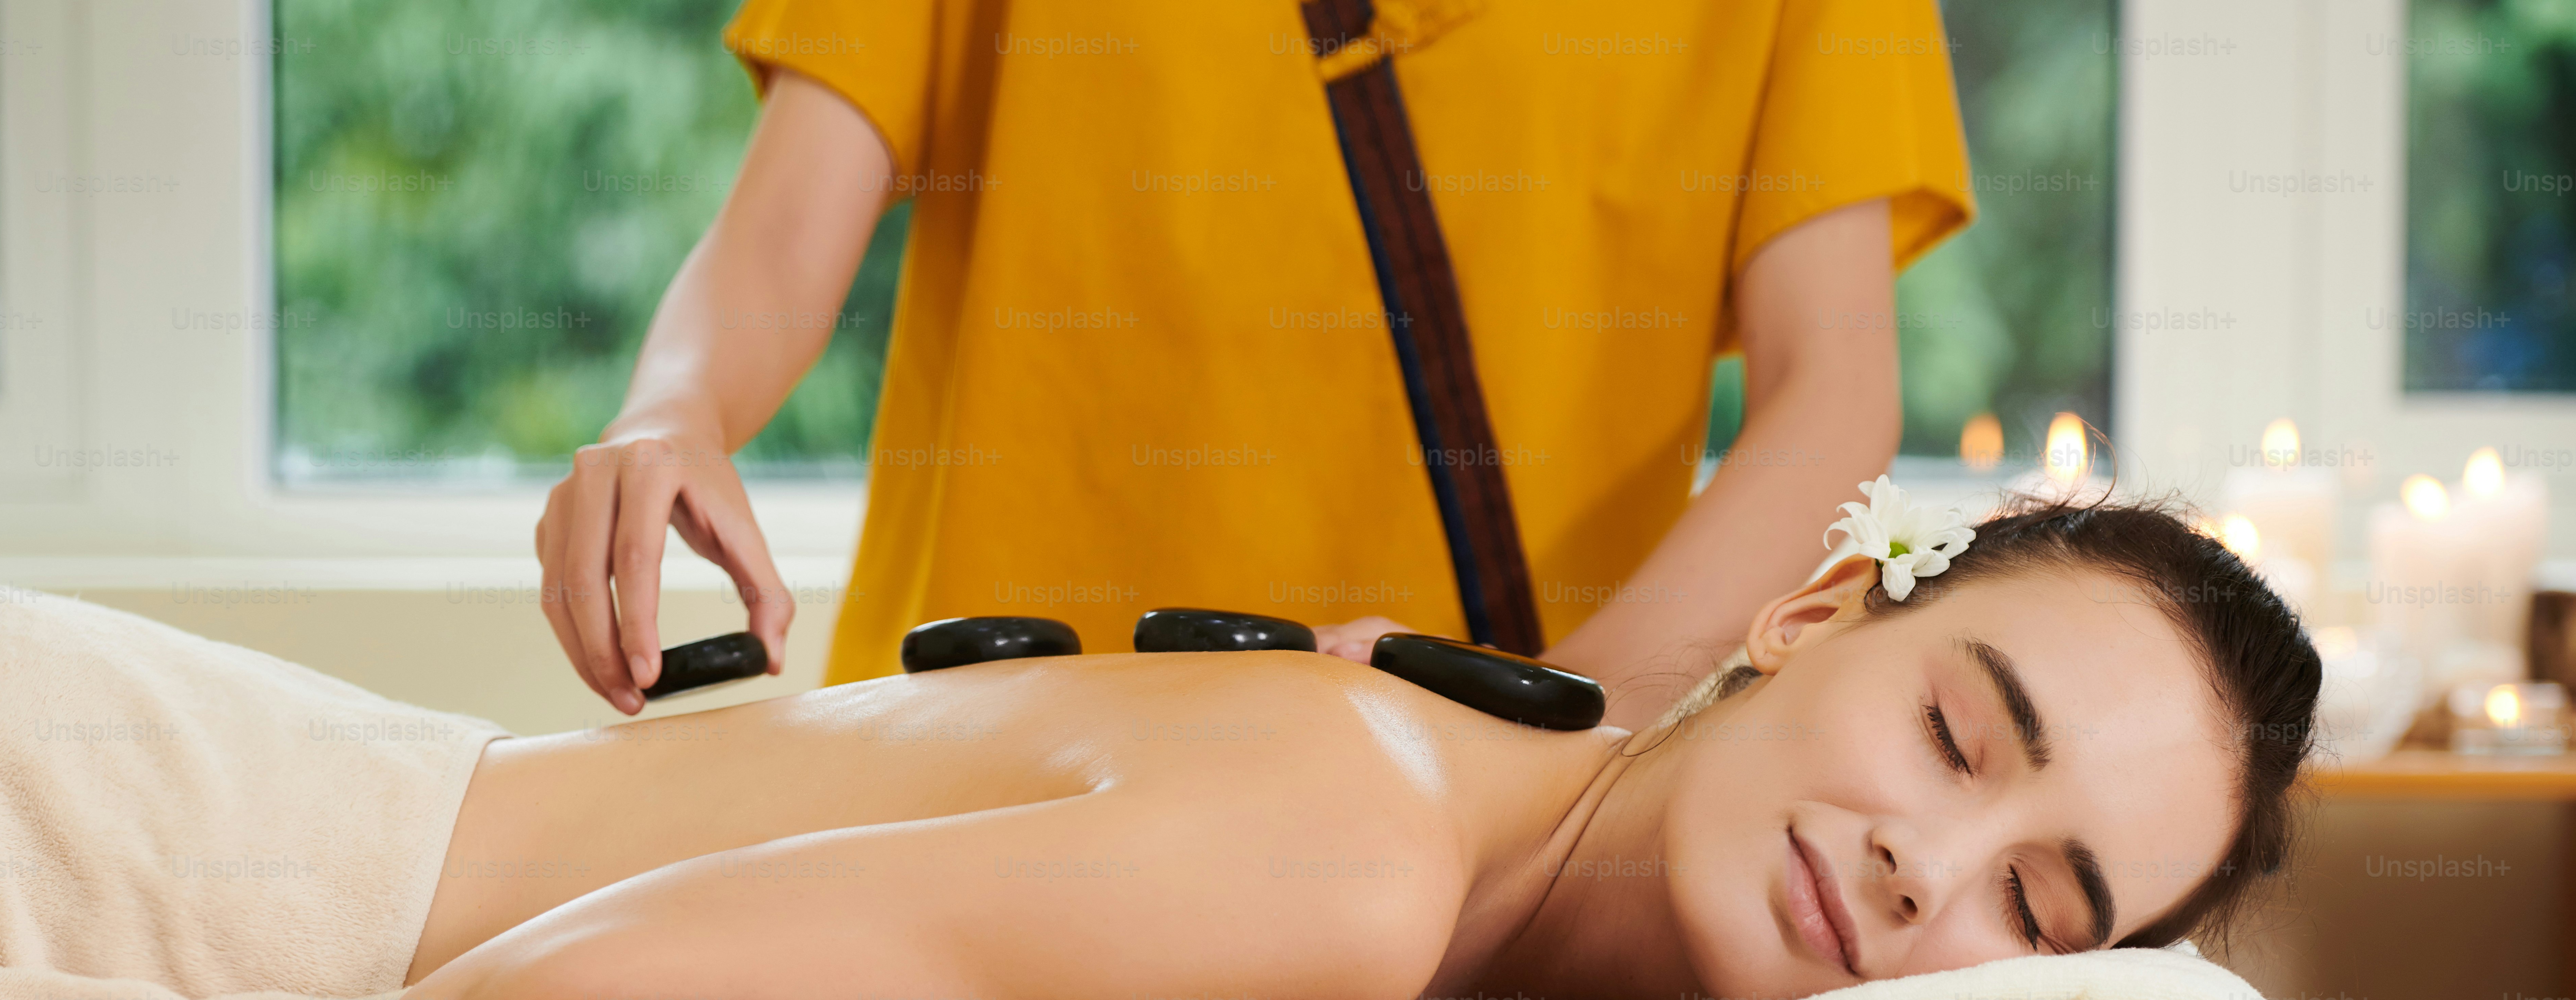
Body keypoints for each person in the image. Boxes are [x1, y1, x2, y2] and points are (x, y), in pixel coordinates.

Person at [367, 496, 2319, 1000]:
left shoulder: (1465, 839)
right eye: (1956, 732)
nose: (1929, 870)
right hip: (163, 834)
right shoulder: (1358, 868)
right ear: (1809, 615)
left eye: (2035, 909)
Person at [535, 1, 1974, 729]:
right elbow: (781, 234)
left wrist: (1539, 739)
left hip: (1441, 876)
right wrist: (675, 408)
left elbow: (1829, 392)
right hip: (966, 781)